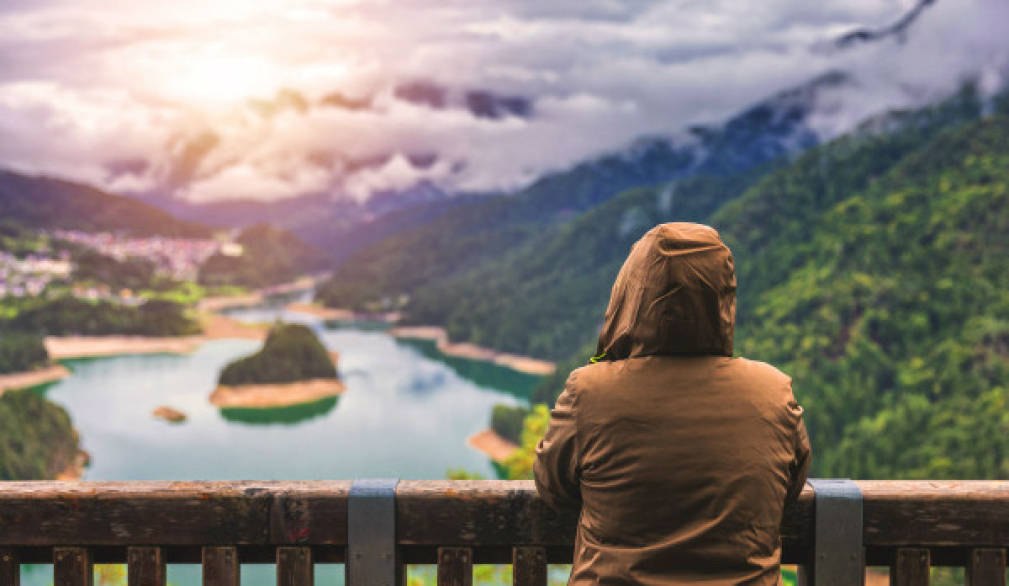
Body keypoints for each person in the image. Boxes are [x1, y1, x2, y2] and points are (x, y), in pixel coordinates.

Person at [534, 222, 810, 585]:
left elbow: (553, 486)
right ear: (722, 299)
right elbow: (788, 489)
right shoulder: (773, 391)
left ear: (631, 295)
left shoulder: (589, 391)